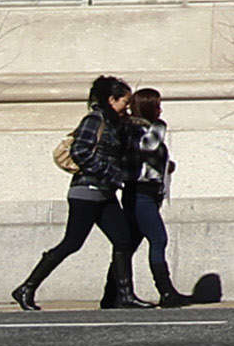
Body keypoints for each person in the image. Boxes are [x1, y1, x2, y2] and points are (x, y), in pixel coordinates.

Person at [13, 76, 144, 312]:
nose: (127, 106)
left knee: (123, 240)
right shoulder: (94, 120)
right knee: (72, 242)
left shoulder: (114, 123)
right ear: (110, 99)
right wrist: (108, 172)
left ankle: (125, 295)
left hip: (104, 192)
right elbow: (80, 151)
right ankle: (27, 287)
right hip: (87, 191)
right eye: (124, 101)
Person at [123, 86, 186, 309]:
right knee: (158, 239)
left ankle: (115, 292)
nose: (160, 109)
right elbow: (147, 148)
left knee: (128, 245)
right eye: (157, 105)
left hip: (149, 193)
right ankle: (166, 291)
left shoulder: (144, 129)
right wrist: (160, 126)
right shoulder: (137, 129)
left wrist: (166, 166)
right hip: (140, 193)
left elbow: (148, 158)